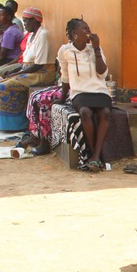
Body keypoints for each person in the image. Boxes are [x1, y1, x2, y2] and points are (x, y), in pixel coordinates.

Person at [0, 8, 54, 131]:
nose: (24, 24)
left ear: (35, 21)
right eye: (24, 21)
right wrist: (13, 71)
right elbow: (26, 60)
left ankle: (15, 124)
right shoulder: (31, 35)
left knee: (3, 87)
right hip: (28, 69)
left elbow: (38, 65)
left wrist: (18, 73)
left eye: (27, 21)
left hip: (41, 73)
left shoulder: (43, 35)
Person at [54, 18, 112, 168]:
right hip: (80, 92)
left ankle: (95, 155)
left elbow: (102, 73)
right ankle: (95, 155)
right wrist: (62, 97)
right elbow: (65, 76)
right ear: (74, 33)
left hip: (99, 90)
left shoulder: (94, 49)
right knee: (85, 112)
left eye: (89, 28)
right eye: (85, 29)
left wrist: (97, 48)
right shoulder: (65, 51)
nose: (89, 32)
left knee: (105, 112)